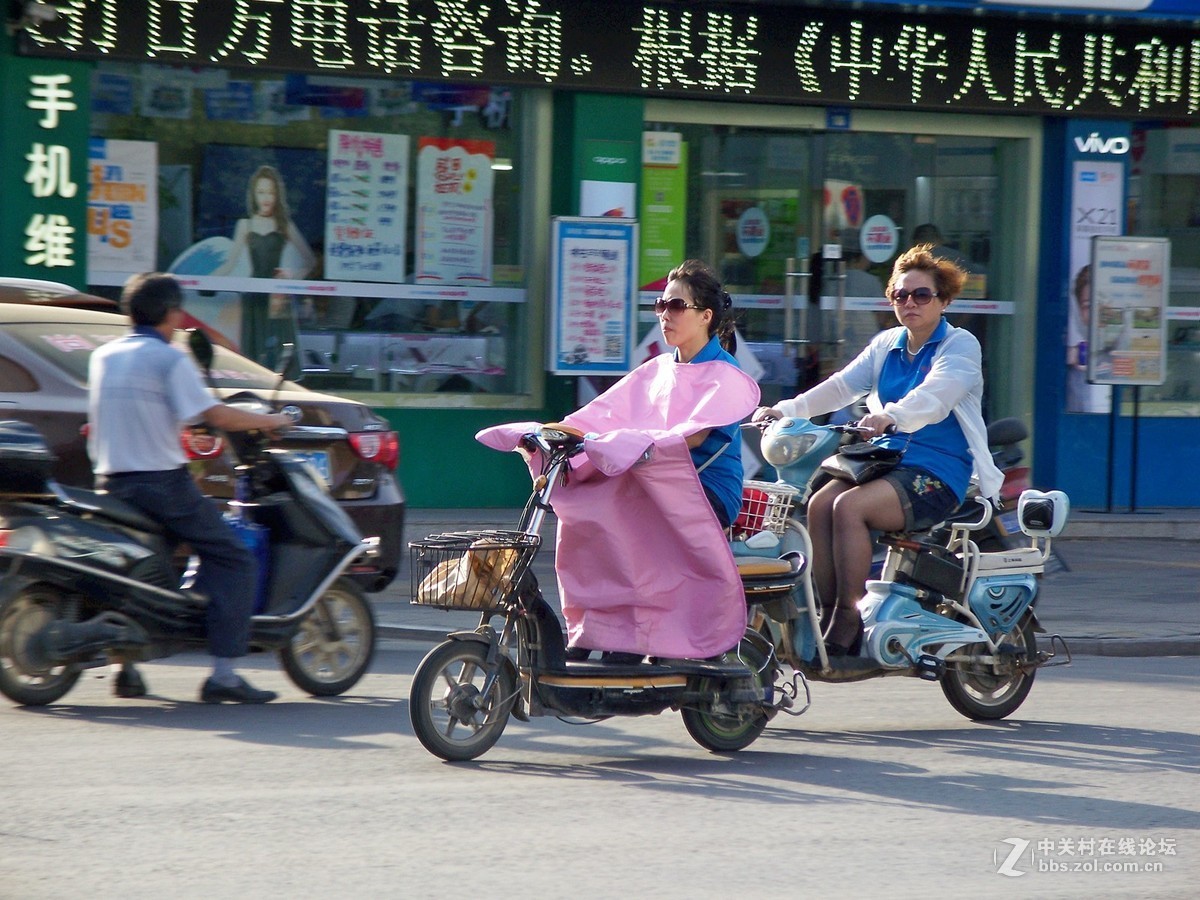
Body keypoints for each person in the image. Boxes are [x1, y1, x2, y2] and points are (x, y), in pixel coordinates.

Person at [752, 245, 1003, 660]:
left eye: (921, 295)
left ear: (943, 300)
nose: (910, 303)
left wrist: (891, 415)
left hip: (937, 471)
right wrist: (786, 410)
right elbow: (841, 385)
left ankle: (848, 620)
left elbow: (937, 395)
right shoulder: (887, 344)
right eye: (901, 295)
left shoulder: (960, 345)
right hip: (885, 462)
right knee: (818, 504)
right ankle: (825, 613)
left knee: (849, 508)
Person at [88, 273, 294, 703]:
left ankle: (126, 668)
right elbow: (215, 415)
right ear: (173, 314)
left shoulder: (103, 356)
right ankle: (224, 676)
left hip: (109, 484)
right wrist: (271, 421)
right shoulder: (170, 358)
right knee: (233, 557)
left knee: (144, 568)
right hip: (160, 486)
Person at [655, 258, 744, 529]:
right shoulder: (661, 369)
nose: (665, 315)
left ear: (706, 316)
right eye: (661, 305)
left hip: (710, 489)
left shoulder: (725, 371)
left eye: (676, 306)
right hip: (663, 482)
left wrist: (632, 447)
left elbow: (693, 436)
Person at [214, 165, 315, 280]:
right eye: (261, 192)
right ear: (254, 194)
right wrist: (205, 281)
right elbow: (229, 265)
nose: (266, 198)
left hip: (275, 289)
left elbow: (310, 261)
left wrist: (290, 282)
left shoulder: (285, 224)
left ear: (277, 195)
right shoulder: (245, 225)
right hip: (253, 288)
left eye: (271, 192)